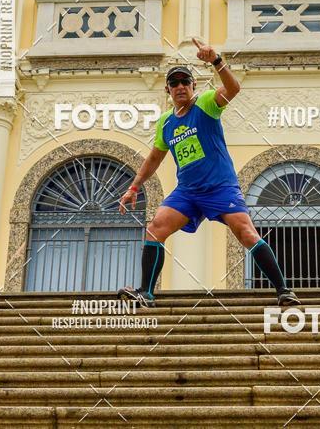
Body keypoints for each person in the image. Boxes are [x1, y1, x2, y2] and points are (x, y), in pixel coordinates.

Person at [118, 39, 300, 308]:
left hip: (220, 188)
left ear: (192, 86)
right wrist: (133, 187)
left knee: (246, 233)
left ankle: (283, 290)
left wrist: (216, 60)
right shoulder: (166, 122)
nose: (180, 87)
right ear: (168, 89)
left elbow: (233, 88)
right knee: (155, 229)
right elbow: (155, 158)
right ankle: (146, 293)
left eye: (185, 82)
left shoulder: (205, 103)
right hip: (188, 193)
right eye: (174, 83)